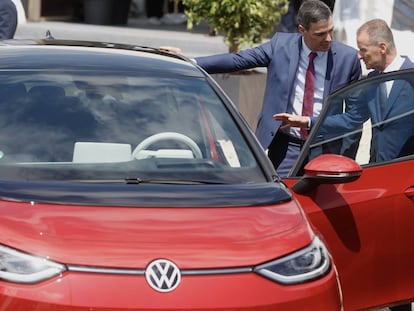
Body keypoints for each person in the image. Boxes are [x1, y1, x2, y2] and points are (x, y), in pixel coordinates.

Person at [194, 0, 361, 177]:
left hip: (326, 145)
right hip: (287, 145)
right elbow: (238, 60)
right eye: (320, 34)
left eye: (330, 30)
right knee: (282, 196)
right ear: (302, 30)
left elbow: (356, 115)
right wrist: (191, 62)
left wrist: (347, 156)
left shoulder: (347, 59)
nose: (328, 39)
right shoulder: (280, 46)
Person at [276, 18, 414, 166]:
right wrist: (308, 121)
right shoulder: (373, 80)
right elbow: (352, 119)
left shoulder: (411, 77)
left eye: (363, 49)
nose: (359, 56)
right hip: (377, 169)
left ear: (382, 47)